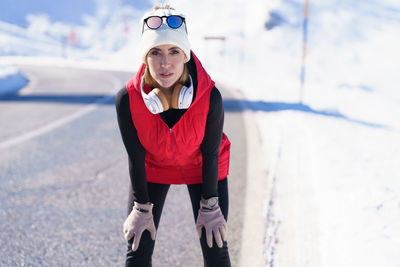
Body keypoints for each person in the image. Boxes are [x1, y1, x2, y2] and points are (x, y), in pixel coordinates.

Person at [115, 4, 231, 267]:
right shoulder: (128, 100)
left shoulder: (209, 97)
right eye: (155, 52)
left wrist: (210, 205)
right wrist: (142, 208)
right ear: (145, 58)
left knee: (216, 248)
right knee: (136, 250)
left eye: (174, 51)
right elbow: (135, 156)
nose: (165, 63)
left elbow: (211, 154)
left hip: (204, 169)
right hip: (152, 169)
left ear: (186, 55)